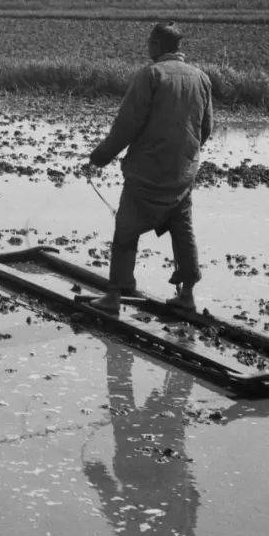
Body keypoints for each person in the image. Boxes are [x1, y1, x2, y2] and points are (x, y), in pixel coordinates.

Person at [86, 22, 213, 316]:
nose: (147, 48)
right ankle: (187, 295)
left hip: (146, 175)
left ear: (157, 45)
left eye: (149, 43)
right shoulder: (201, 78)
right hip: (182, 175)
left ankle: (115, 294)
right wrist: (184, 156)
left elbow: (127, 125)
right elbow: (206, 129)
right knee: (183, 230)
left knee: (126, 229)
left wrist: (101, 156)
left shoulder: (151, 75)